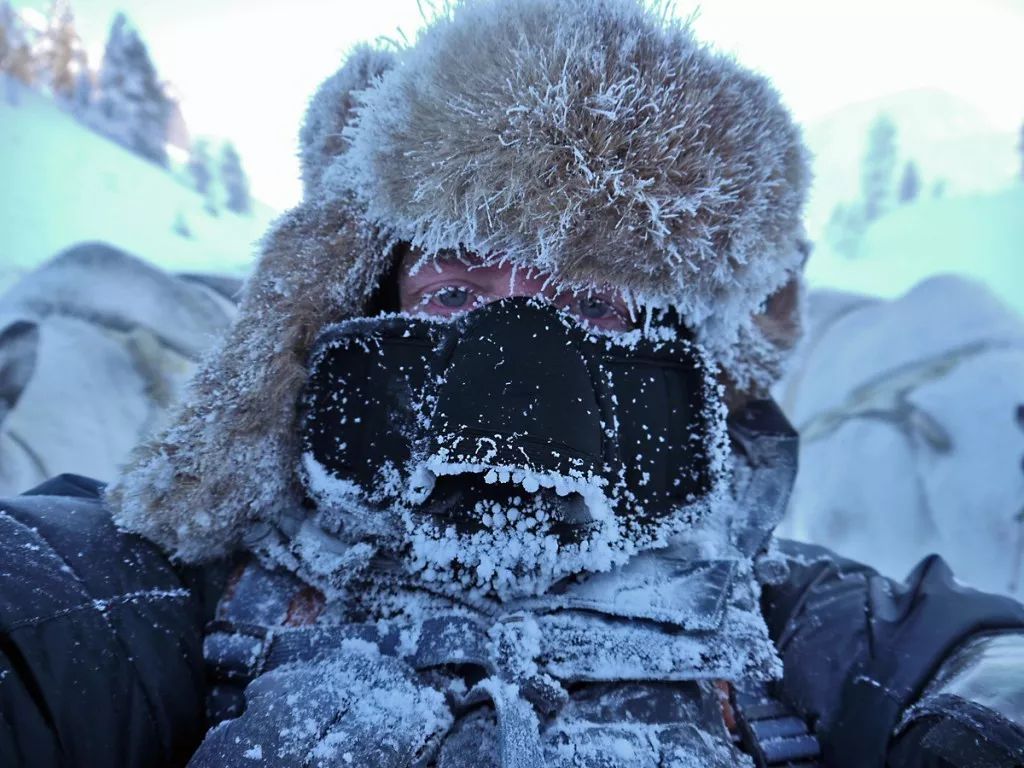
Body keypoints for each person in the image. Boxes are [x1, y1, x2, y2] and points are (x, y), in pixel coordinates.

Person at [2, 1, 1023, 766]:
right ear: (359, 312)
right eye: (454, 291)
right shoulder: (187, 591)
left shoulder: (793, 625)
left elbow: (972, 660)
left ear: (690, 363)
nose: (516, 359)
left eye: (588, 306)